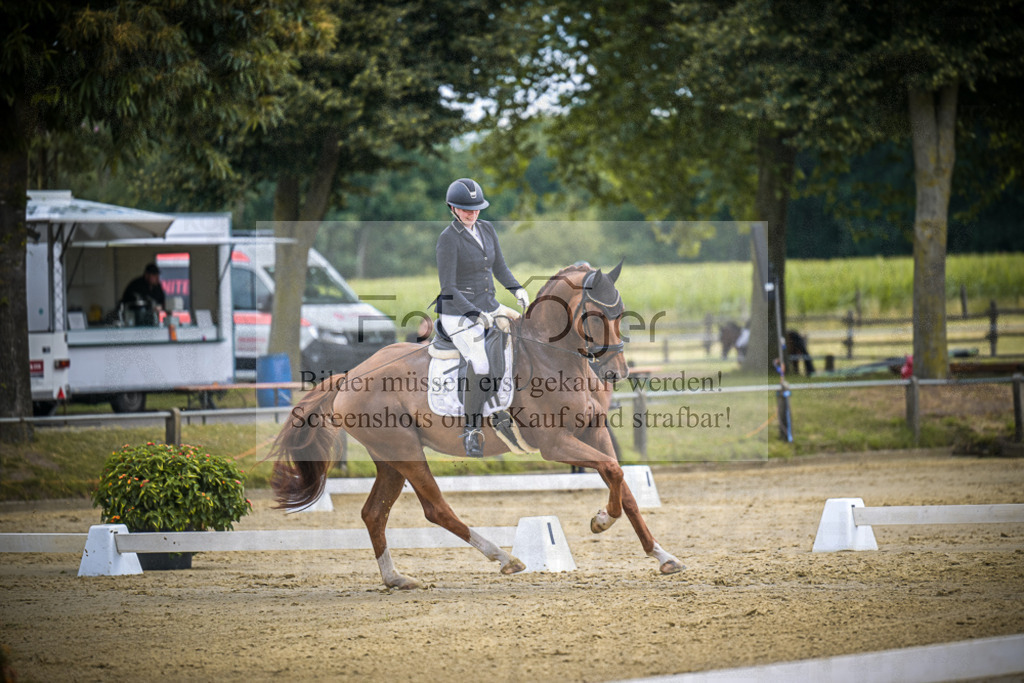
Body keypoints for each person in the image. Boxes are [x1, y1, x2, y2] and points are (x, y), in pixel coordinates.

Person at [436, 178, 529, 457]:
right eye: (466, 209)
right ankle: (472, 429)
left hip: (490, 306)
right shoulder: (448, 239)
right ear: (453, 208)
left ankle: (505, 407)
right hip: (457, 312)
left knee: (525, 337)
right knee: (479, 359)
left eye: (476, 208)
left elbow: (499, 267)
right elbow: (448, 288)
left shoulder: (486, 229)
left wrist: (516, 288)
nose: (472, 213)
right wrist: (474, 314)